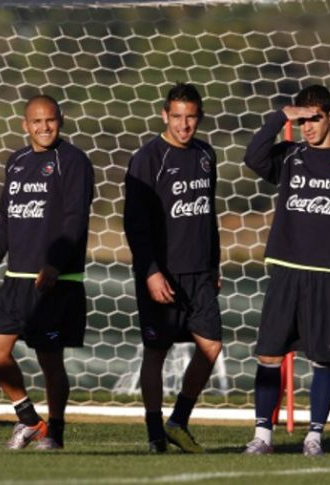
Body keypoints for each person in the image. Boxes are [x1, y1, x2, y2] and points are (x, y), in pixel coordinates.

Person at [242, 84, 330, 456]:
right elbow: (252, 156)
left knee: (323, 357)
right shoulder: (289, 156)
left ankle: (314, 437)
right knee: (269, 355)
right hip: (287, 268)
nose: (307, 127)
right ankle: (262, 437)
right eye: (302, 119)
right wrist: (279, 117)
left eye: (314, 118)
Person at [0, 95, 94, 450]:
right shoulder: (17, 162)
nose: (44, 128)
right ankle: (29, 419)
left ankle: (55, 432)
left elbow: (76, 219)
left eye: (51, 121)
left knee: (49, 360)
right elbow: (6, 218)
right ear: (24, 125)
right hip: (17, 279)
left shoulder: (73, 161)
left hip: (55, 280)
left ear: (60, 120)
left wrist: (56, 264)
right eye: (37, 122)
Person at [123, 83, 223, 454]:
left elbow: (208, 215)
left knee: (211, 346)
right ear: (165, 115)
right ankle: (154, 432)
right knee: (156, 351)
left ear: (199, 117)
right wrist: (151, 271)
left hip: (200, 273)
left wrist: (214, 263)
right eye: (177, 117)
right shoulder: (147, 158)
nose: (184, 125)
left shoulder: (205, 155)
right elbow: (134, 224)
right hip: (162, 272)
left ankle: (178, 421)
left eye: (191, 117)